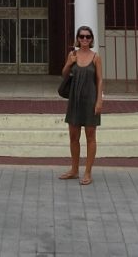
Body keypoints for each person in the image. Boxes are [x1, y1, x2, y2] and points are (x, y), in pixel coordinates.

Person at [59, 24, 103, 185]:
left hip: (90, 100)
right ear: (77, 39)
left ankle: (88, 172)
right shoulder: (73, 54)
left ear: (91, 39)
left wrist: (99, 100)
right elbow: (64, 74)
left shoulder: (96, 57)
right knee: (73, 136)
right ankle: (74, 169)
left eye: (88, 37)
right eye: (81, 36)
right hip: (75, 99)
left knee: (90, 137)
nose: (84, 39)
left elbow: (99, 80)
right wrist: (69, 63)